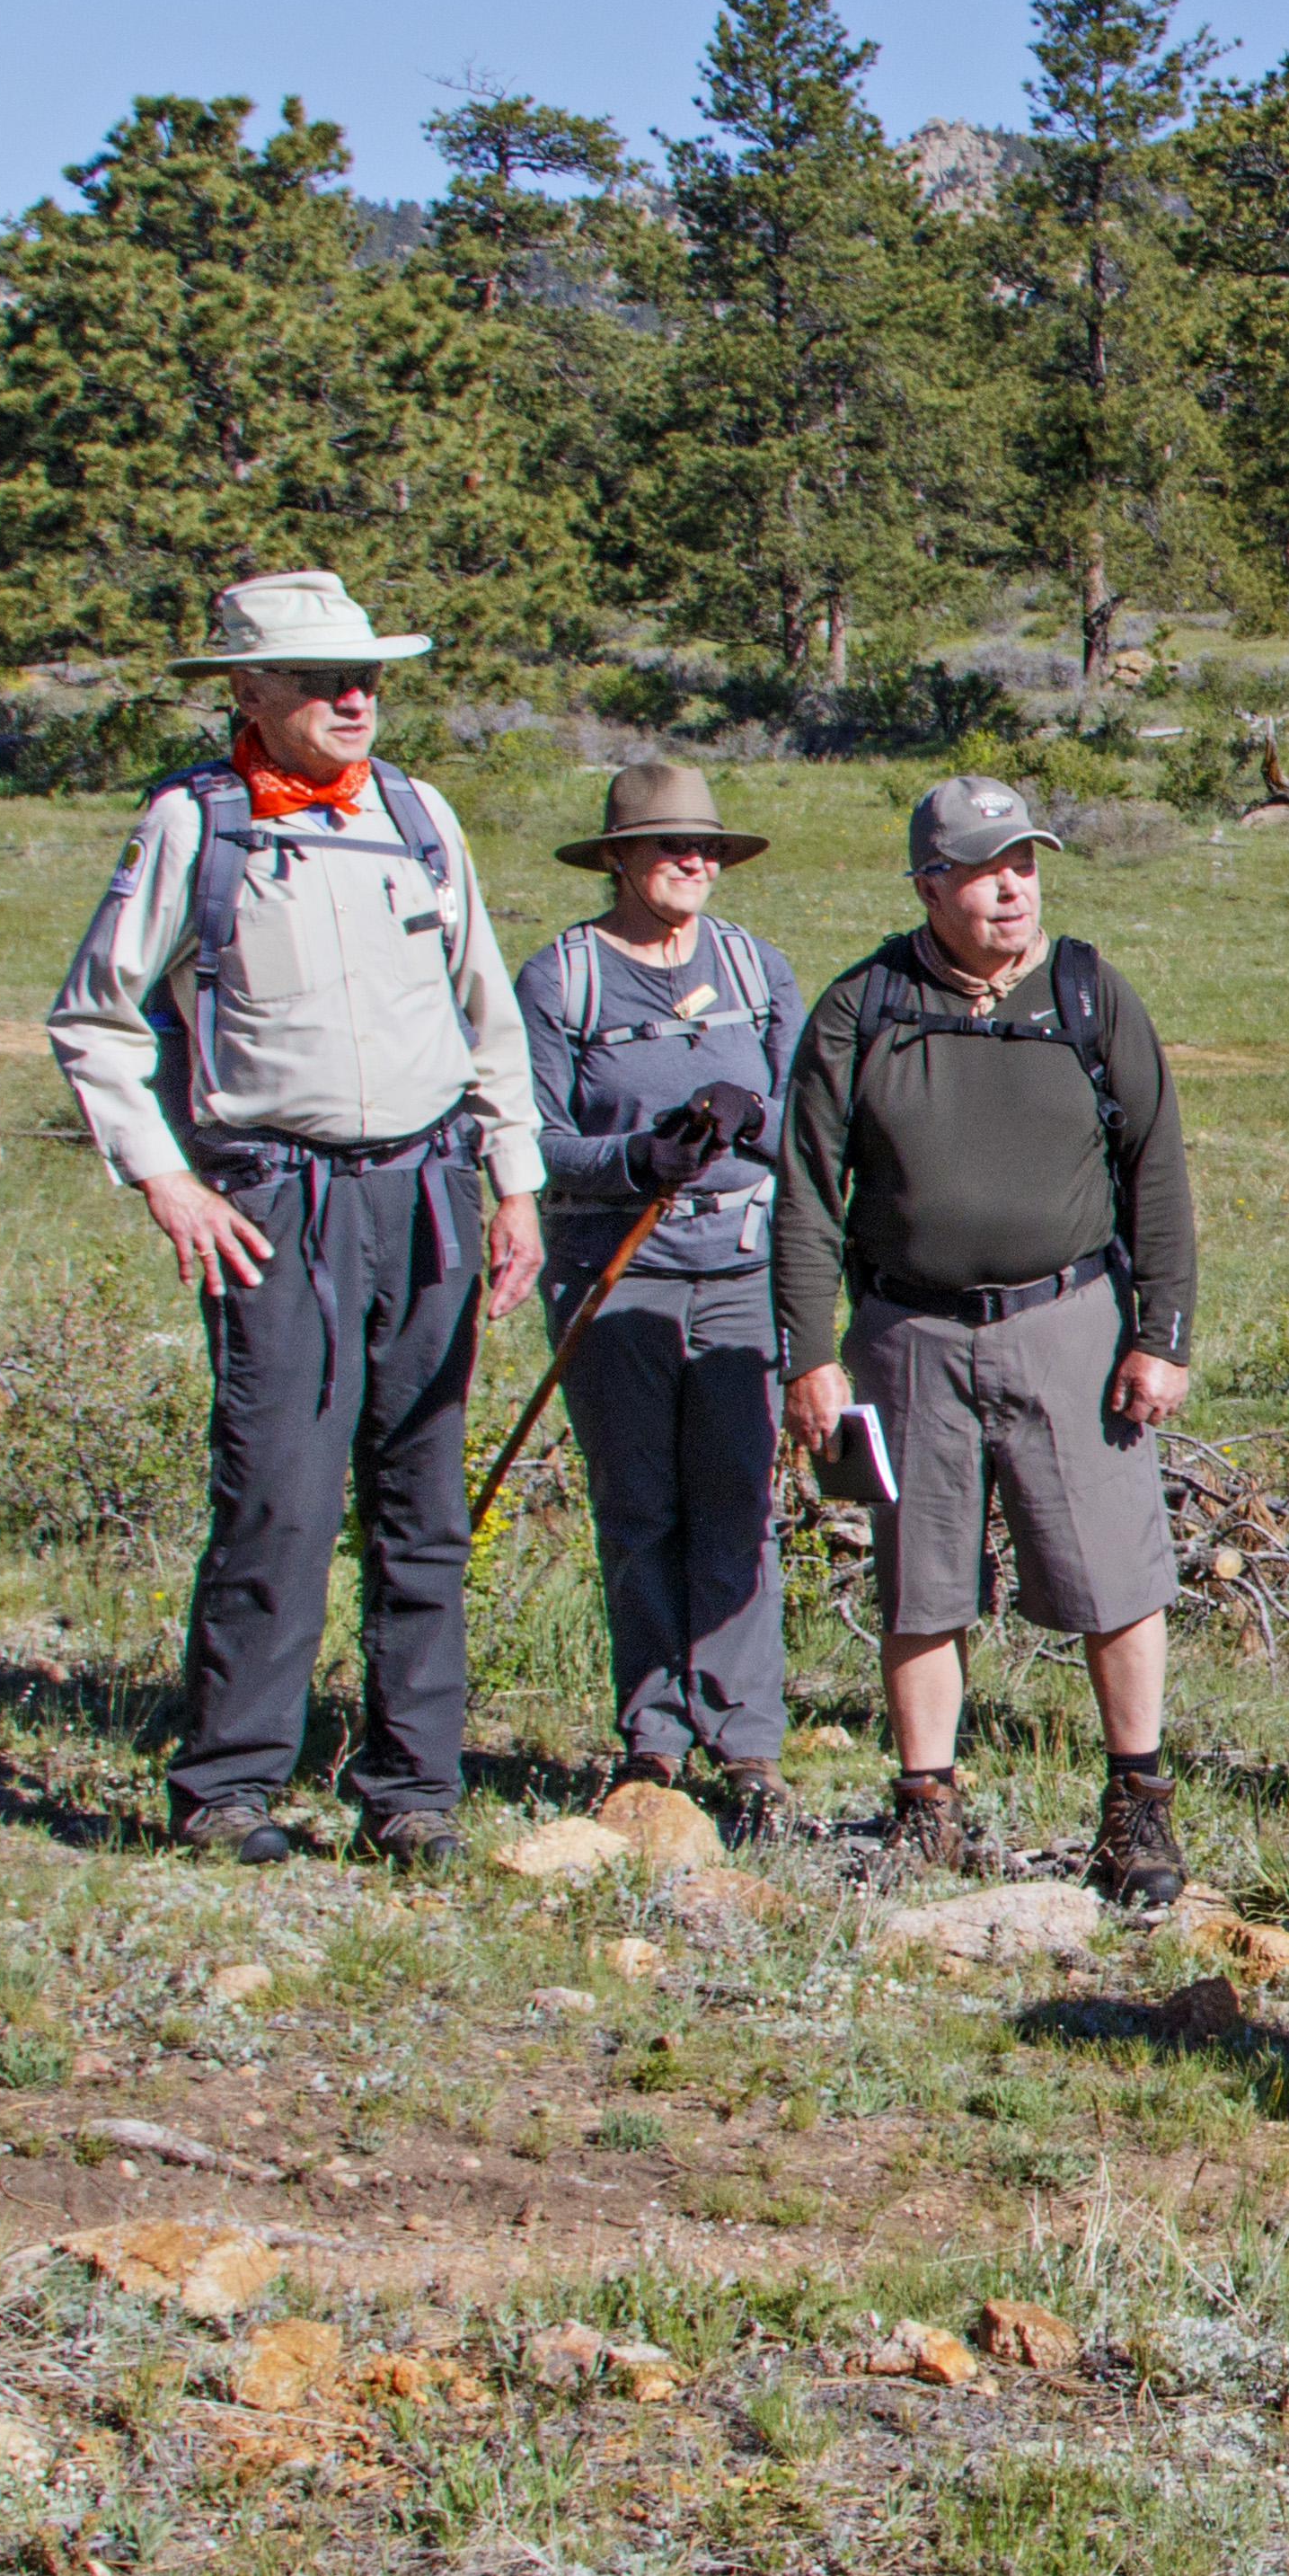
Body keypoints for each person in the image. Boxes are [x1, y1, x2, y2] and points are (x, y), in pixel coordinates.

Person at [48, 570, 547, 1866]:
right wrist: (166, 1179)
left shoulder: (420, 817)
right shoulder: (191, 826)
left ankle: (413, 1794)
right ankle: (227, 1789)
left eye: (368, 676)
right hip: (276, 1203)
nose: (354, 698)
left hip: (429, 1192)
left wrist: (517, 1186)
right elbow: (94, 1018)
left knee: (423, 1502)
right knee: (276, 1494)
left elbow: (483, 1011)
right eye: (325, 679)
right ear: (249, 694)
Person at [773, 776, 1202, 1905]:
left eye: (1024, 863)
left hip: (1069, 1321)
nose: (1010, 888)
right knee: (922, 1582)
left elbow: (1156, 1169)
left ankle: (1136, 1812)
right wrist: (807, 1354)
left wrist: (1160, 1333)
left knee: (1117, 1572)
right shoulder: (859, 1006)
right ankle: (927, 1810)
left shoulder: (1087, 993)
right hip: (907, 1330)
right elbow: (807, 1193)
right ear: (929, 884)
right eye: (981, 868)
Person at [516, 766, 801, 1841]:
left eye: (709, 848)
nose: (696, 863)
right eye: (671, 847)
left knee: (738, 1501)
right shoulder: (563, 979)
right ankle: (652, 1738)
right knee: (639, 1508)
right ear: (621, 862)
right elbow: (531, 1144)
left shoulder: (755, 968)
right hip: (612, 1272)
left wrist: (748, 1122)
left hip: (742, 1269)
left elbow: (811, 1133)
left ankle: (748, 1744)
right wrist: (641, 1156)